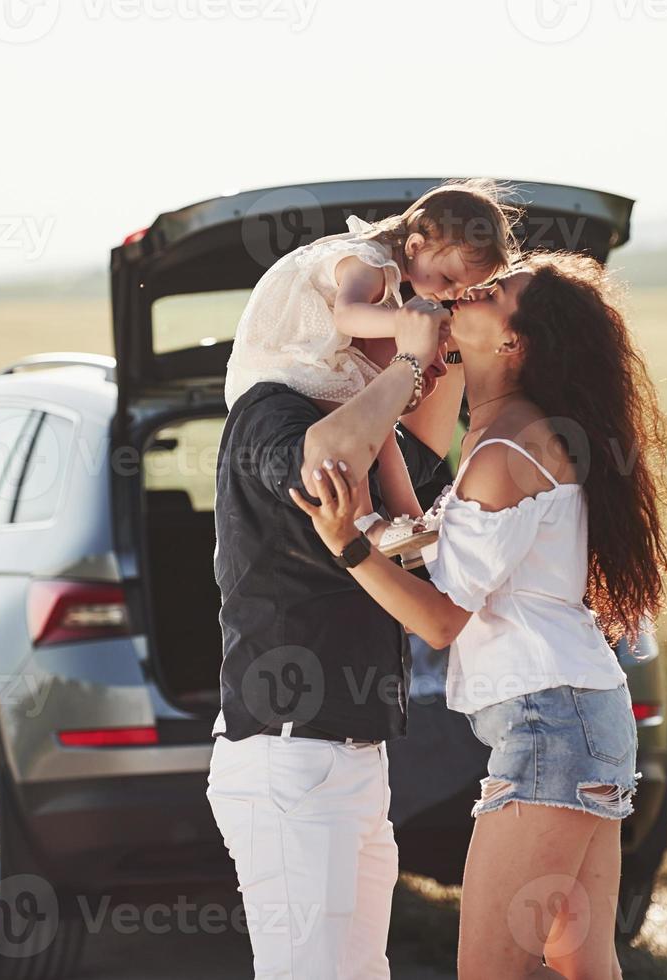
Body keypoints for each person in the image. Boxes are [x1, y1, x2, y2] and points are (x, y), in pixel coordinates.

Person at [291, 251, 667, 980]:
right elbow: (436, 551)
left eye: (495, 292)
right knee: (579, 961)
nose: (472, 288)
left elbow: (440, 622)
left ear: (511, 343)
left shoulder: (503, 450)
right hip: (583, 716)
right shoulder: (513, 436)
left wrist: (344, 546)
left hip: (549, 727)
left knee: (492, 969)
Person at [207, 289, 464, 979]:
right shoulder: (271, 407)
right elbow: (319, 469)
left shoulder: (372, 443)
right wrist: (408, 363)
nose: (424, 362)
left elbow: (428, 458)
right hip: (288, 755)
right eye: (402, 328)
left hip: (351, 757)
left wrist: (444, 358)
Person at [224, 178, 519, 541]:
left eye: (461, 289)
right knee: (358, 425)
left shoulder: (392, 271)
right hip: (290, 360)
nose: (450, 294)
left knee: (381, 429)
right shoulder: (368, 261)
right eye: (447, 278)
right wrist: (407, 325)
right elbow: (347, 316)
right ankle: (368, 526)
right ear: (414, 244)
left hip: (319, 356)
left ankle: (410, 521)